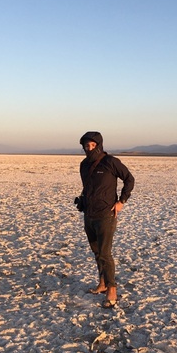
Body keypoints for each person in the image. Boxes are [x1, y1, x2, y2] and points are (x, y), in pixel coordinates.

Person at [77, 131, 135, 309]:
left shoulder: (110, 162)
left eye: (93, 145)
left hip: (106, 215)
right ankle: (102, 283)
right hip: (89, 214)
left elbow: (129, 179)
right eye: (86, 145)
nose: (89, 148)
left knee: (105, 253)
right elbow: (88, 187)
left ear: (99, 145)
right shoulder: (84, 165)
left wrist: (121, 201)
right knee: (96, 252)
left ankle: (112, 289)